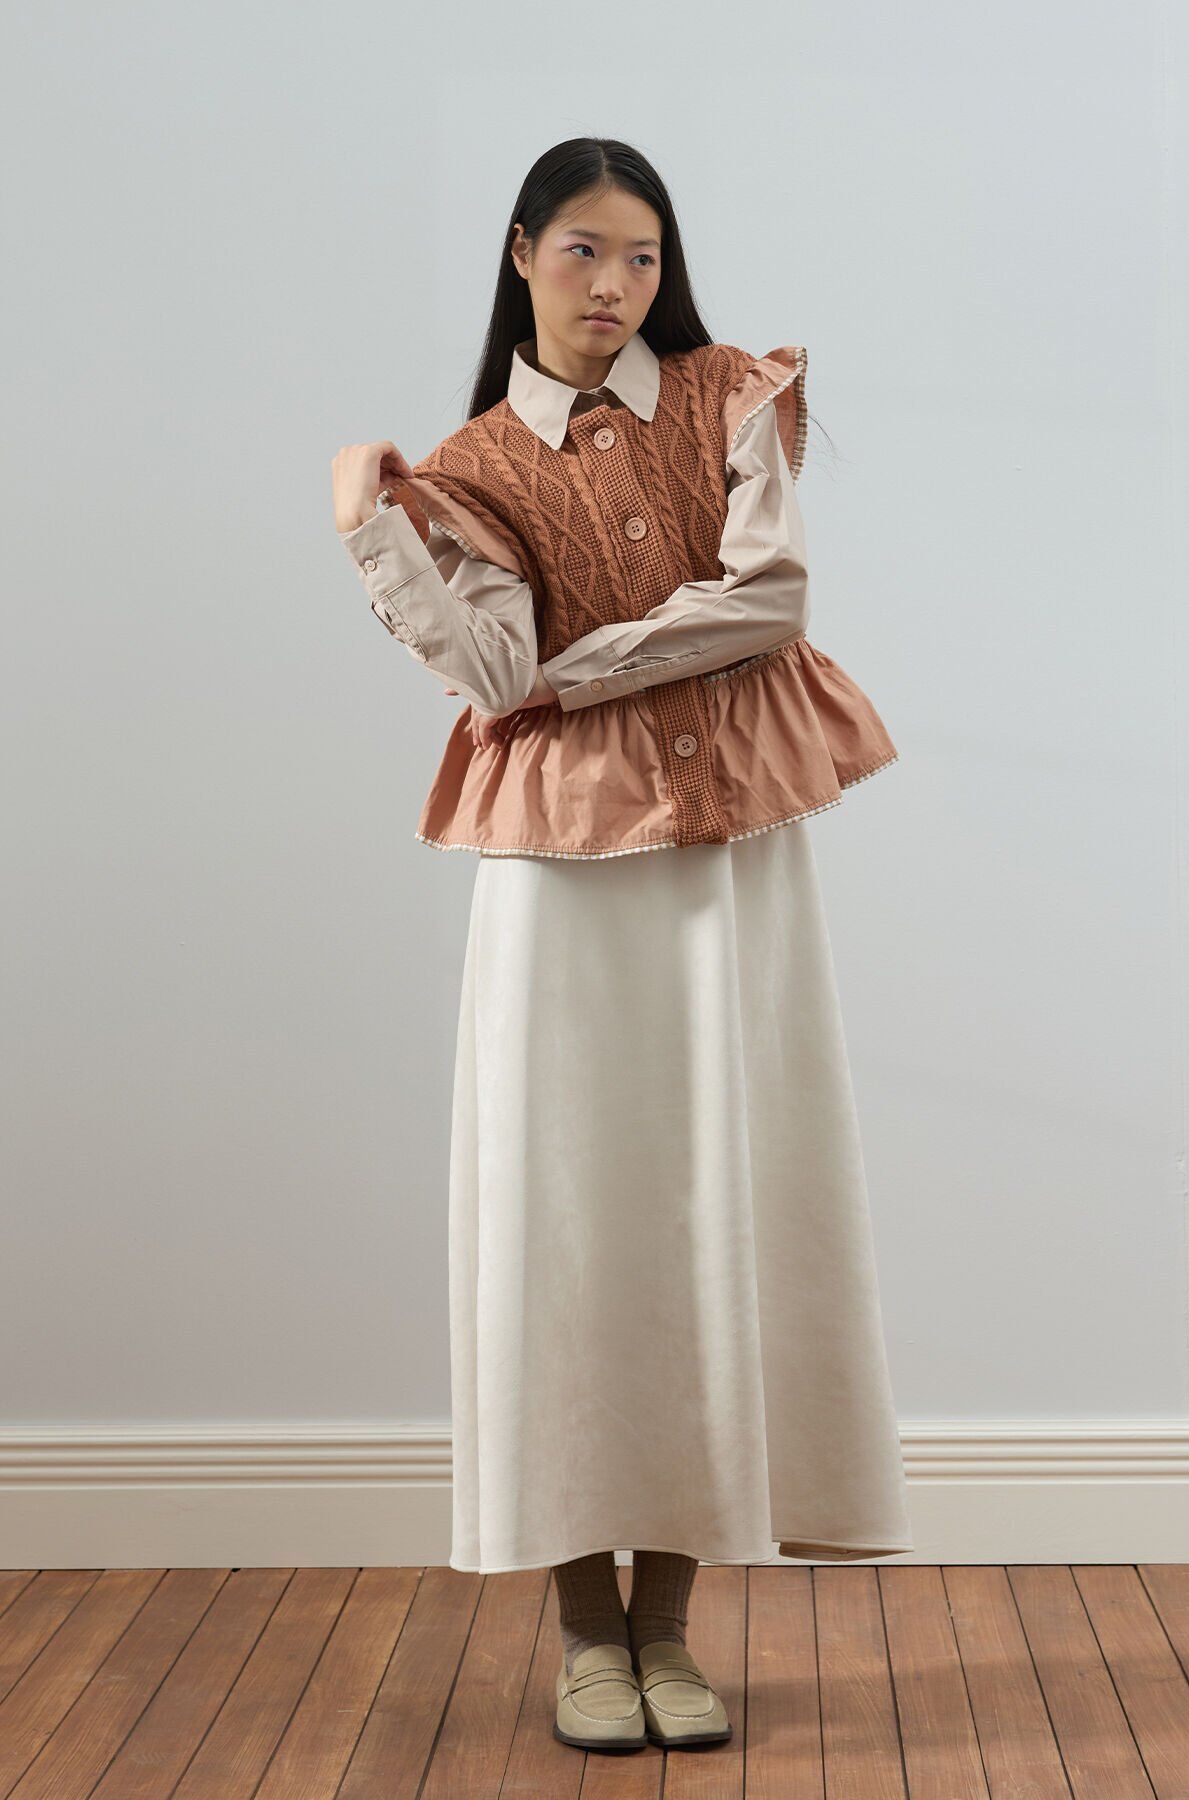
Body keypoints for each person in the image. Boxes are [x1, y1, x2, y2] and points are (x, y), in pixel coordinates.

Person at [331, 135, 913, 1755]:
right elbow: (486, 670)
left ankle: (673, 1628)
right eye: (584, 251)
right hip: (559, 874)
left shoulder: (733, 396)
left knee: (722, 1199)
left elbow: (769, 601)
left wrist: (578, 670)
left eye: (643, 256)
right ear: (522, 252)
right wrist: (371, 527)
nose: (615, 285)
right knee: (569, 1223)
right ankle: (590, 1630)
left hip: (733, 859)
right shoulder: (467, 468)